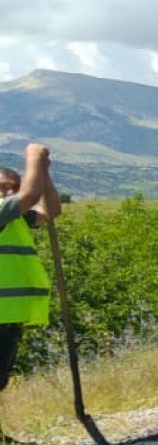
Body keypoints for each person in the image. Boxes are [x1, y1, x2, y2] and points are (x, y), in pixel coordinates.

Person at [0, 143, 61, 406]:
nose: (9, 193)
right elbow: (28, 196)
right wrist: (33, 156)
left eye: (12, 187)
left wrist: (44, 173)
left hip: (9, 313)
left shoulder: (14, 219)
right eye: (2, 187)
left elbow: (51, 211)